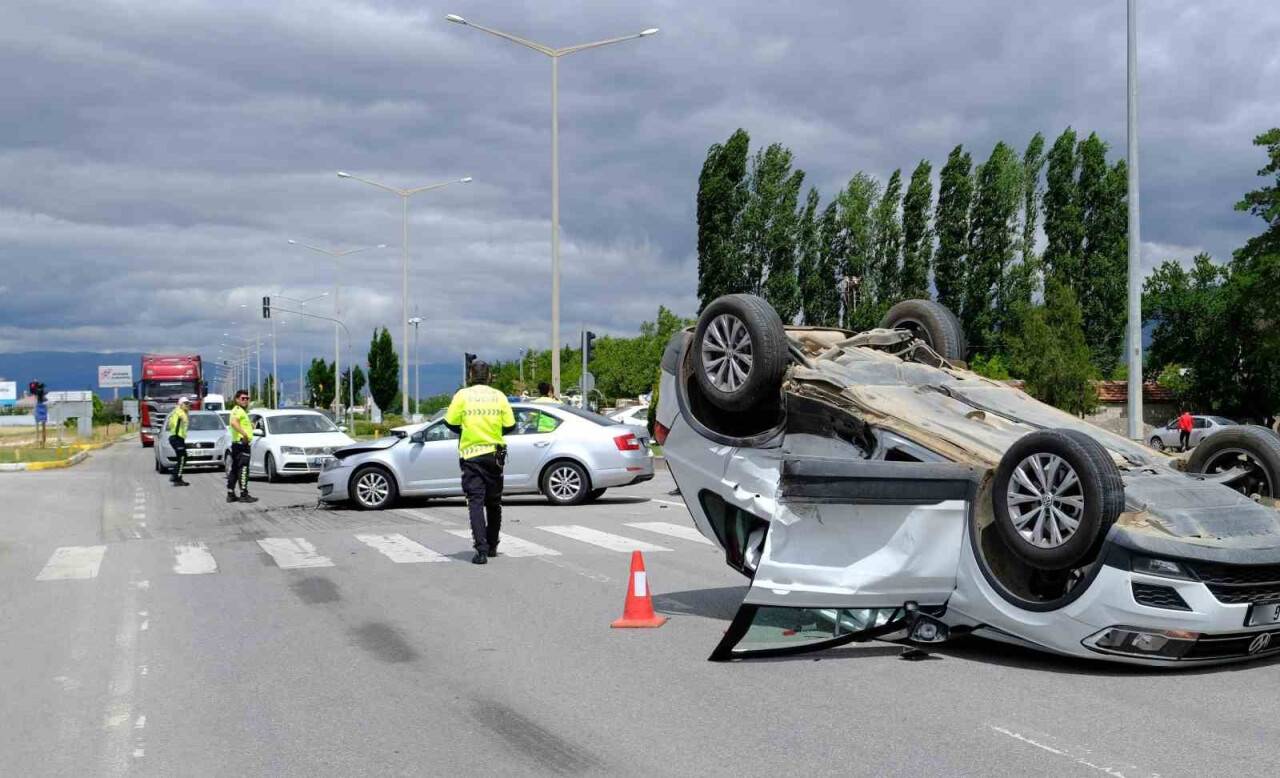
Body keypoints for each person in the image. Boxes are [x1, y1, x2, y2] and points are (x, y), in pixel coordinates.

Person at [444, 360, 515, 565]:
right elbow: (510, 425)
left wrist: (467, 430)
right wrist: (493, 432)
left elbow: (450, 422)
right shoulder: (499, 396)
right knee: (493, 502)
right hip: (494, 456)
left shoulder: (462, 395)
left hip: (471, 456)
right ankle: (493, 545)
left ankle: (481, 551)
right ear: (489, 376)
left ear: (470, 376)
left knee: (475, 502)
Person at [226, 389, 258, 503]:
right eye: (243, 398)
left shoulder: (241, 411)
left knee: (235, 469)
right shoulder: (238, 410)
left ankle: (230, 493)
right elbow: (234, 423)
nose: (245, 400)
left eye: (247, 398)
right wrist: (244, 434)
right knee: (243, 469)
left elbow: (240, 424)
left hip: (238, 444)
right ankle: (244, 494)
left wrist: (251, 426)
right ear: (237, 399)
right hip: (241, 444)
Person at [166, 396, 192, 486]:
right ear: (180, 404)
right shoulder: (179, 412)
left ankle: (177, 478)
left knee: (182, 458)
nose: (188, 405)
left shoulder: (176, 412)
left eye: (188, 404)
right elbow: (180, 420)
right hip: (177, 438)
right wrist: (184, 417)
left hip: (178, 438)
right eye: (186, 403)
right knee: (182, 458)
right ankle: (175, 477)